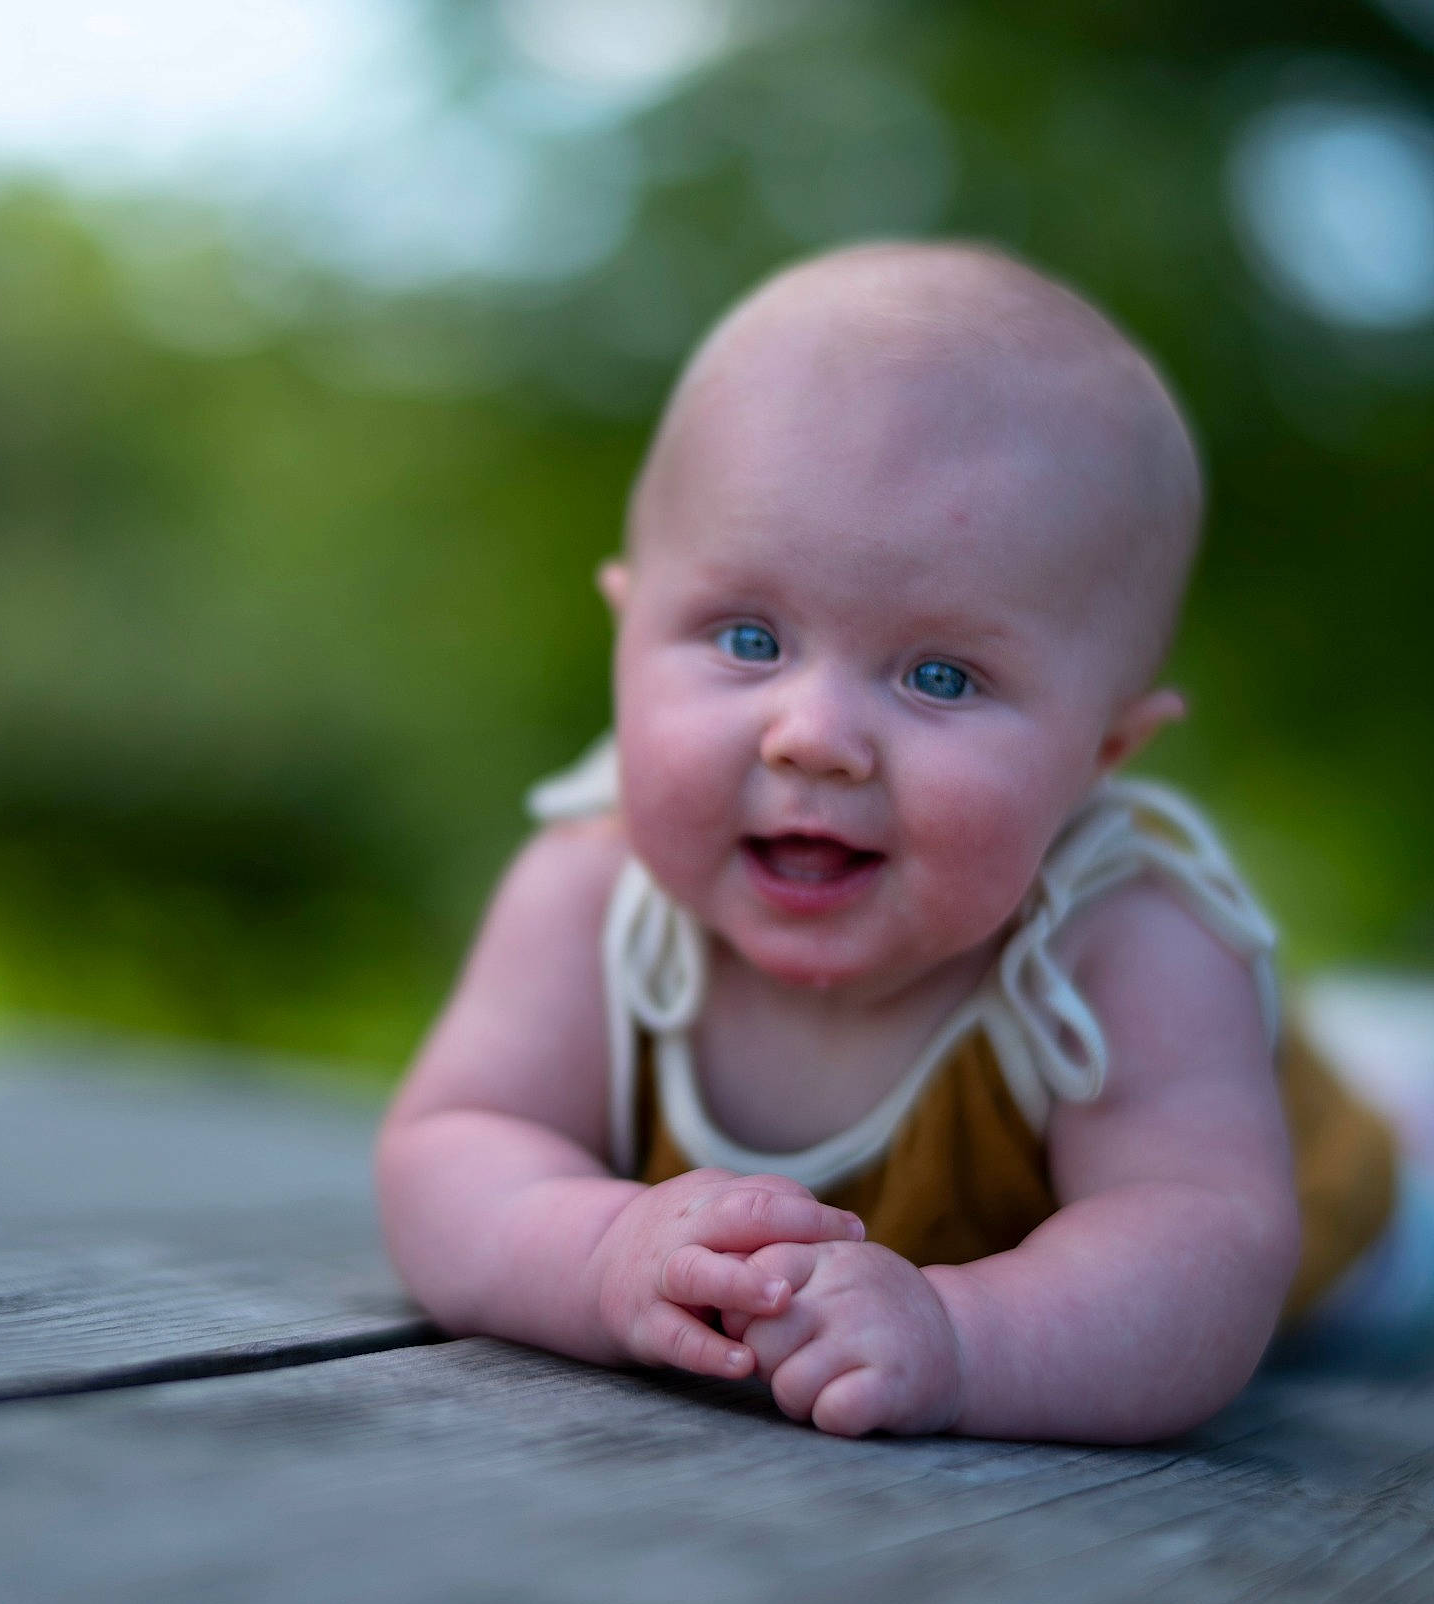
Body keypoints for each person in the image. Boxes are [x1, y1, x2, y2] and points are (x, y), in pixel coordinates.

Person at [376, 240, 1405, 1444]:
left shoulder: (1132, 947)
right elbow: (450, 1151)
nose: (813, 737)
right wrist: (599, 1247)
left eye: (939, 674)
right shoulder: (589, 894)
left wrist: (964, 1336)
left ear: (1103, 755)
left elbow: (1204, 1266)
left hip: (1361, 1234)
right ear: (626, 627)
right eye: (748, 639)